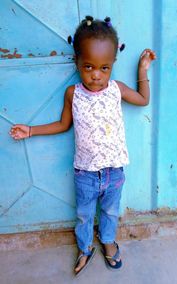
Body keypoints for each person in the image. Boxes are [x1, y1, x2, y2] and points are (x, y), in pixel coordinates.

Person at [10, 16, 156, 276]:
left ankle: (109, 241)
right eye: (88, 67)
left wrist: (142, 69)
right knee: (84, 214)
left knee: (111, 211)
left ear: (112, 66)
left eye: (104, 68)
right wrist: (31, 130)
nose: (96, 76)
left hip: (114, 171)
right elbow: (63, 125)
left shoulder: (116, 90)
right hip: (85, 173)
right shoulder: (73, 94)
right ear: (77, 61)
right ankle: (85, 246)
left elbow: (143, 99)